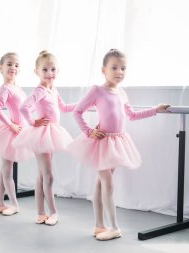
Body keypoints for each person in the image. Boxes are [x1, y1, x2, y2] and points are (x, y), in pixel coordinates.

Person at [68, 49, 170, 240]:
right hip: (102, 142)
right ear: (103, 70)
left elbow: (131, 115)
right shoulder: (97, 90)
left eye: (123, 68)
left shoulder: (121, 92)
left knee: (100, 184)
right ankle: (114, 227)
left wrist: (155, 110)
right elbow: (77, 111)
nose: (119, 72)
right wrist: (89, 131)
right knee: (108, 183)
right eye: (114, 68)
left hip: (117, 142)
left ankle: (99, 225)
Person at [12, 50, 76, 225]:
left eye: (53, 69)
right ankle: (53, 212)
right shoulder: (40, 91)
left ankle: (41, 213)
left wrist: (81, 105)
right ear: (36, 72)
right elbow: (24, 108)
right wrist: (33, 122)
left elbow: (62, 107)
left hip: (52, 133)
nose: (50, 74)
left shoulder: (53, 90)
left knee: (42, 175)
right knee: (48, 176)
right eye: (45, 70)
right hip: (41, 134)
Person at [0, 52, 33, 216]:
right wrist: (11, 125)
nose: (13, 68)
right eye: (9, 64)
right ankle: (14, 204)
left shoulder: (17, 88)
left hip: (20, 130)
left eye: (16, 65)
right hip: (10, 131)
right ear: (0, 68)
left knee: (4, 170)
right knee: (7, 171)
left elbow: (22, 107)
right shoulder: (5, 87)